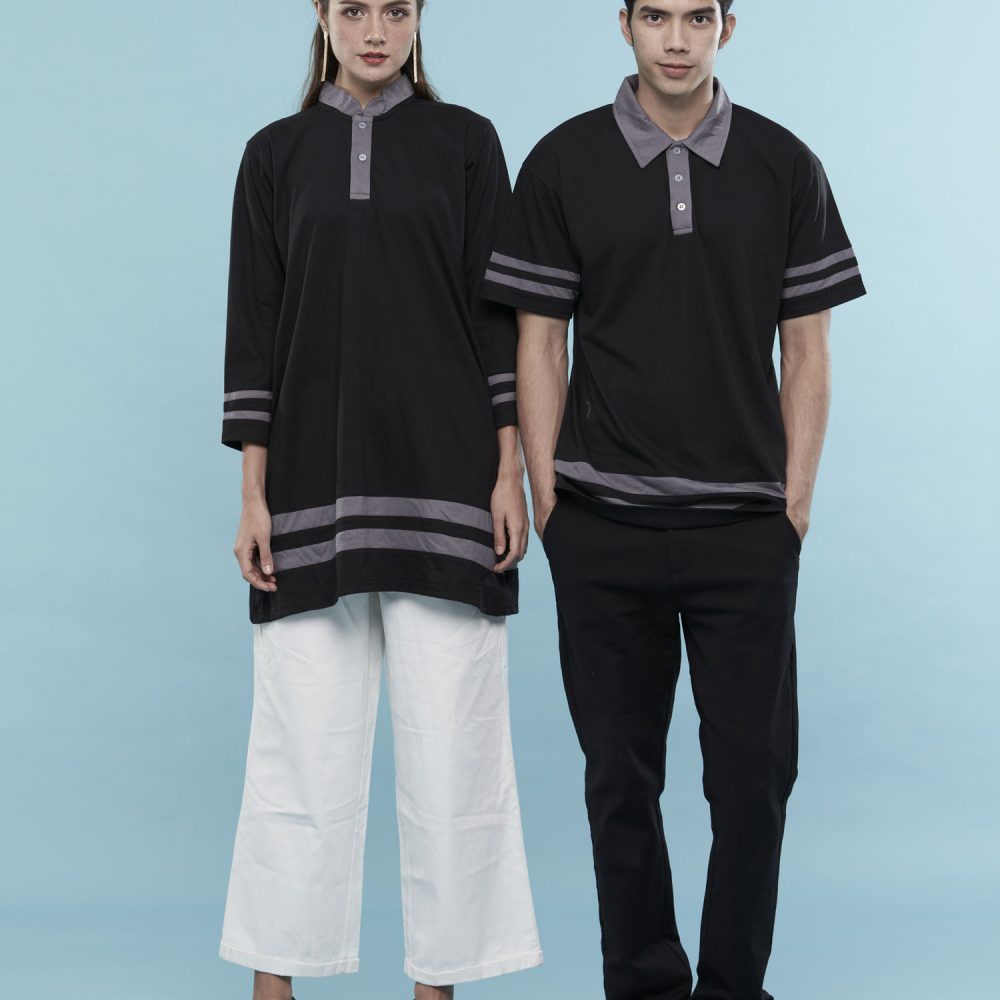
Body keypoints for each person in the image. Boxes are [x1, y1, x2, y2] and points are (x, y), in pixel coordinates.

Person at [482, 2, 866, 998]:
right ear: (624, 25)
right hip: (601, 525)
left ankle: (733, 985)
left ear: (729, 27)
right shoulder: (562, 162)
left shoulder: (786, 165)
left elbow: (809, 347)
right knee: (619, 780)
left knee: (753, 780)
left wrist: (792, 508)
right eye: (656, 15)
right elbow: (538, 340)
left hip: (745, 529)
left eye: (699, 16)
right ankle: (645, 985)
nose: (678, 39)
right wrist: (551, 501)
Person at [217, 4, 543, 999]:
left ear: (418, 16)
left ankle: (437, 987)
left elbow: (499, 320)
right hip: (308, 485)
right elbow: (253, 328)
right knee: (297, 752)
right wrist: (253, 494)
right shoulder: (273, 155)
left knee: (455, 753)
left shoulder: (466, 144)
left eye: (395, 8)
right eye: (352, 7)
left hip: (448, 480)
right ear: (321, 13)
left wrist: (508, 471)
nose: (374, 29)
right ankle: (275, 984)